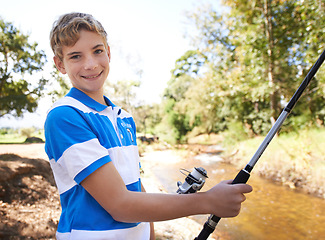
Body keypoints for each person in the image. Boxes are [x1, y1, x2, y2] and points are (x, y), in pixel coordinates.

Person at [45, 12, 253, 240]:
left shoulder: (124, 118)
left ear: (109, 52)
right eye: (76, 56)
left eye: (97, 51)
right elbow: (120, 204)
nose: (91, 64)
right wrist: (208, 201)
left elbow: (136, 187)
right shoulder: (65, 116)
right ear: (60, 64)